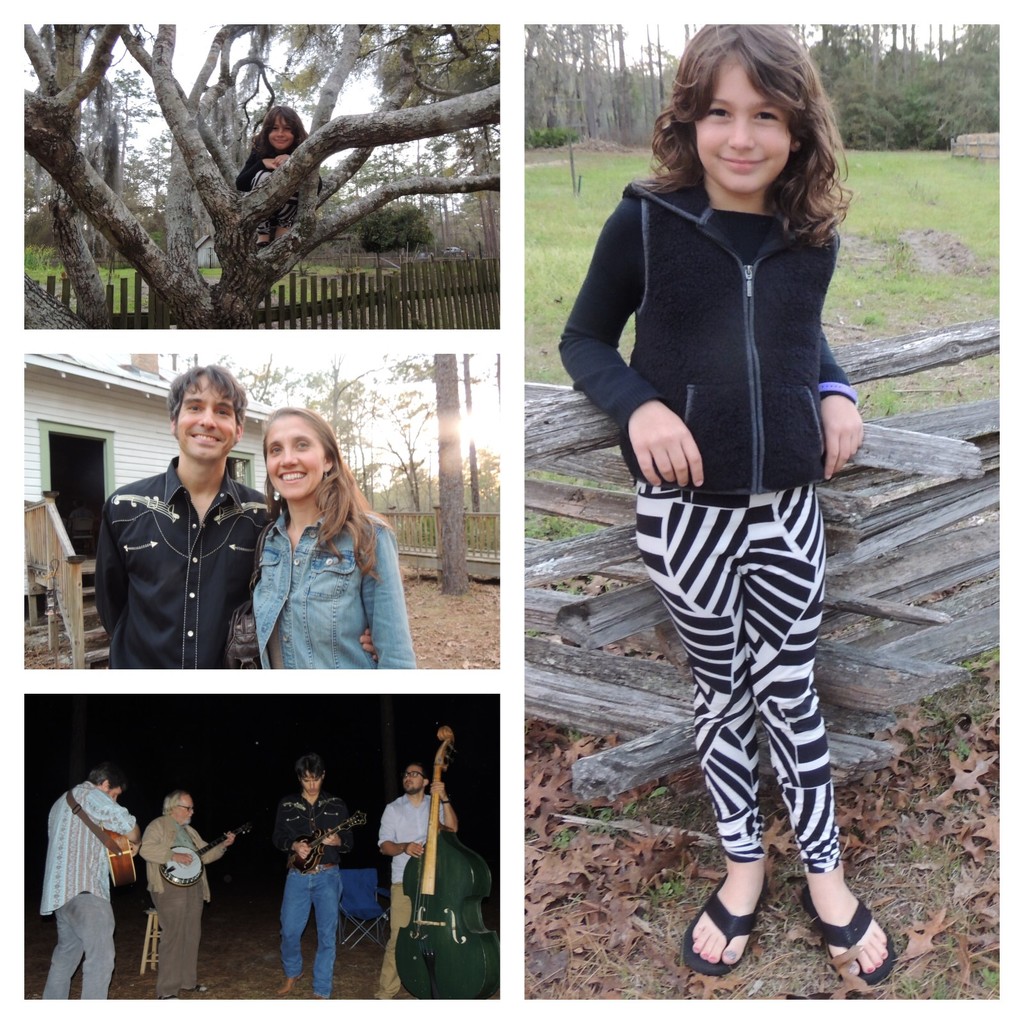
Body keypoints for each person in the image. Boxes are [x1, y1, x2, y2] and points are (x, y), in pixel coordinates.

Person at [559, 25, 894, 985]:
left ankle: (824, 872)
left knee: (790, 685)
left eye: (766, 116)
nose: (741, 138)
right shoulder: (645, 220)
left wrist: (837, 389)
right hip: (685, 519)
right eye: (720, 113)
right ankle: (744, 862)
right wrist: (641, 405)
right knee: (722, 689)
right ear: (690, 119)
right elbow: (584, 340)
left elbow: (797, 335)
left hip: (787, 508)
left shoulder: (809, 233)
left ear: (798, 130)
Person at [95, 364, 267, 669]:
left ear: (238, 431)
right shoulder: (124, 508)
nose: (208, 420)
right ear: (174, 422)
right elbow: (113, 607)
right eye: (195, 407)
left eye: (223, 411)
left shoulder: (261, 516)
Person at [253, 407, 416, 669]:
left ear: (328, 459)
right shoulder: (268, 542)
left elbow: (397, 659)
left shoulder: (368, 536)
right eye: (275, 450)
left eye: (302, 445)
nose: (287, 459)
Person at [40, 762, 140, 999]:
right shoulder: (92, 794)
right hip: (86, 893)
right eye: (114, 795)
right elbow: (128, 825)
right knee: (101, 961)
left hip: (60, 897)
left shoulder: (58, 804)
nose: (113, 801)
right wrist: (136, 842)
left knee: (64, 961)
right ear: (105, 784)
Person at [272, 754, 355, 999]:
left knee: (327, 935)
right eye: (307, 780)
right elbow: (277, 837)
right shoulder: (287, 804)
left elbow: (349, 843)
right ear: (299, 778)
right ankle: (293, 972)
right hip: (297, 877)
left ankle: (321, 989)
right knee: (288, 930)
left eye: (316, 779)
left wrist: (338, 840)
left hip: (328, 876)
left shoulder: (337, 804)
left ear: (323, 776)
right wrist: (293, 845)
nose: (311, 785)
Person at [139, 791, 236, 999]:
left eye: (192, 807)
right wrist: (172, 855)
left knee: (192, 934)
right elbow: (145, 849)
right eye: (188, 807)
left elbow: (205, 855)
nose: (192, 811)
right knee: (173, 935)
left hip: (194, 886)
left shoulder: (190, 831)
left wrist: (223, 846)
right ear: (173, 807)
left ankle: (187, 982)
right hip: (169, 887)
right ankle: (166, 991)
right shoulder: (158, 825)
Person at [373, 761, 458, 999]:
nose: (408, 777)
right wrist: (404, 847)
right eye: (406, 774)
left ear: (426, 781)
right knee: (399, 937)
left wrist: (445, 798)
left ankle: (436, 986)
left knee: (438, 936)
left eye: (414, 774)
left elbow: (452, 829)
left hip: (435, 881)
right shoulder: (394, 808)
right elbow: (384, 846)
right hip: (404, 882)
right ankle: (385, 992)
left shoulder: (435, 805)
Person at [236, 105, 319, 248]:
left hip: (288, 211)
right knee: (263, 175)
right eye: (274, 128)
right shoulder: (259, 148)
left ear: (295, 133)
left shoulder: (303, 149)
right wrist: (262, 163)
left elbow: (316, 187)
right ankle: (263, 231)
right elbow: (241, 183)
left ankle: (283, 225)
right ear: (267, 131)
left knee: (293, 179)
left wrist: (295, 161)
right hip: (261, 210)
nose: (280, 134)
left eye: (287, 129)